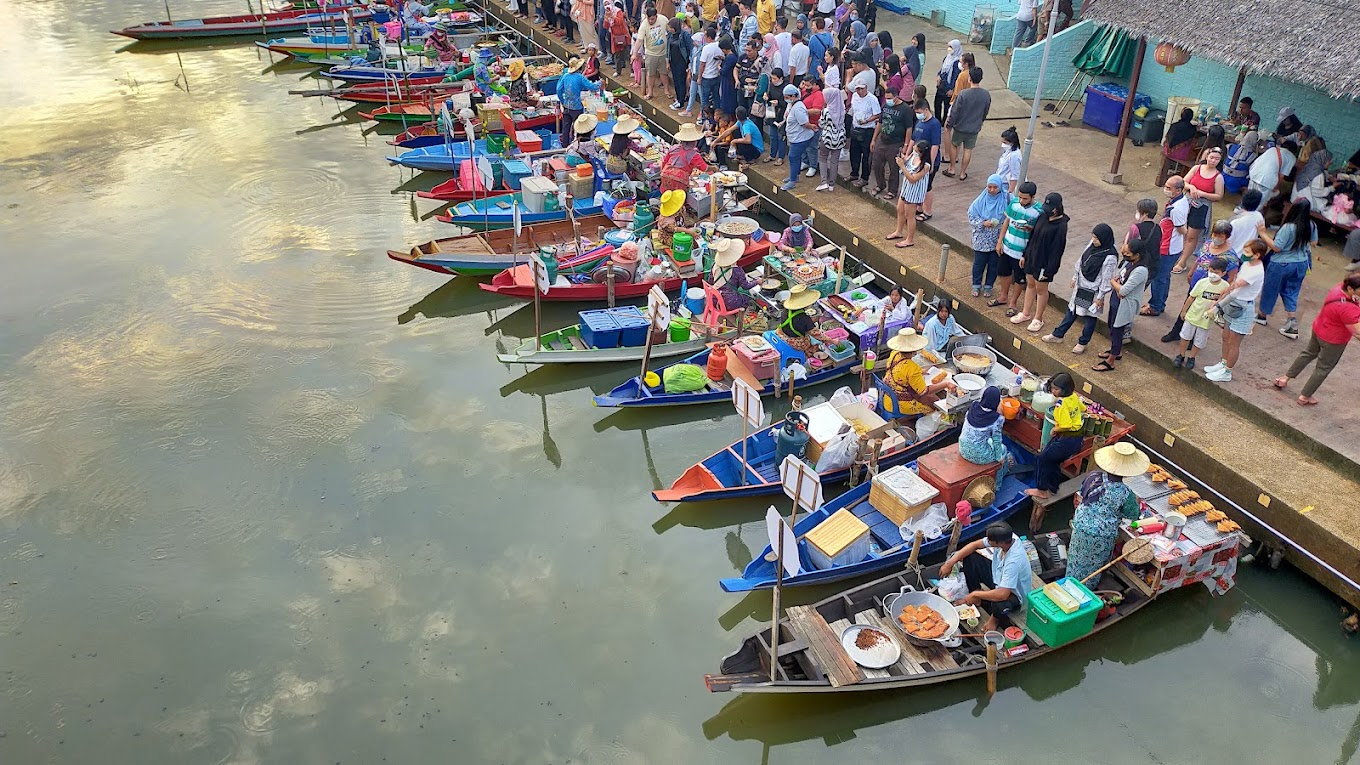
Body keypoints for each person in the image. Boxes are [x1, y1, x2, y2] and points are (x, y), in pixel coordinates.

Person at [1066, 443, 1148, 583]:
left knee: (1075, 559)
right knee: (1093, 567)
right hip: (1101, 535)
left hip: (1080, 525)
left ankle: (1068, 586)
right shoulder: (1125, 492)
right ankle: (1086, 593)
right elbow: (1133, 514)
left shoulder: (1093, 476)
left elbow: (1084, 492)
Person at [1275, 274, 1360, 405]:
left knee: (1307, 353)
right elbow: (1357, 331)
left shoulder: (1337, 289)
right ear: (1350, 289)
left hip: (1319, 328)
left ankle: (1285, 378)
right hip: (1334, 340)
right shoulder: (1349, 309)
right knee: (1323, 368)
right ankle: (1305, 396)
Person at [939, 522, 1031, 632]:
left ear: (1000, 543)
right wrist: (950, 563)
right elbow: (974, 545)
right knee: (970, 557)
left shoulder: (1013, 561)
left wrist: (975, 594)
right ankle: (976, 597)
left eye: (990, 540)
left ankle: (994, 619)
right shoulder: (1009, 538)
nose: (987, 541)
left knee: (1000, 603)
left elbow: (1003, 594)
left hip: (1014, 593)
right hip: (998, 577)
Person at [1043, 223, 1118, 354]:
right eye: (1093, 237)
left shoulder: (1109, 257)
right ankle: (1058, 334)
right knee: (1072, 311)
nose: (1094, 240)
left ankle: (1083, 342)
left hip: (1092, 291)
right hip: (1081, 286)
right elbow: (1081, 259)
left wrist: (1100, 297)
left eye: (1097, 238)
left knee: (1089, 317)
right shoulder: (1092, 245)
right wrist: (1075, 277)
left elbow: (1106, 278)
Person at [1162, 219, 1238, 342]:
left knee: (1201, 315)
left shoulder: (1231, 256)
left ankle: (1193, 339)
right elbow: (1199, 260)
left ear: (1227, 237)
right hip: (1197, 285)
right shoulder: (1208, 244)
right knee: (1187, 306)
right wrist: (1191, 272)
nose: (1216, 238)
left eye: (1220, 236)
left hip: (1211, 291)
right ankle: (1176, 332)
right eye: (1215, 234)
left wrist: (1222, 296)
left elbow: (1231, 277)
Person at [1202, 239, 1267, 383]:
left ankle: (1227, 371)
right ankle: (1223, 363)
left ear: (1257, 255)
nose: (1244, 254)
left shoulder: (1256, 271)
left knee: (1234, 342)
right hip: (1233, 305)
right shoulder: (1247, 264)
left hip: (1243, 308)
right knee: (1226, 336)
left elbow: (1235, 289)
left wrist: (1217, 305)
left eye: (1248, 252)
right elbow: (1233, 284)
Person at [1255, 199, 1318, 339]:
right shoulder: (1311, 225)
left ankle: (1262, 315)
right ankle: (1292, 323)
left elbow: (1277, 247)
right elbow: (1314, 242)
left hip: (1281, 263)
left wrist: (1263, 233)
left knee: (1271, 289)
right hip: (1301, 263)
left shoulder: (1289, 227)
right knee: (1291, 292)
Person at [1091, 236, 1150, 372]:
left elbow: (1123, 290)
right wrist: (1117, 285)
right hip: (1116, 300)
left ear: (1137, 255)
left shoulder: (1141, 270)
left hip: (1124, 305)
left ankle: (1111, 361)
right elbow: (1120, 278)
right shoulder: (1129, 263)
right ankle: (1114, 351)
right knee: (1112, 326)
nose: (1125, 255)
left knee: (1118, 331)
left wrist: (1113, 283)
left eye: (1128, 254)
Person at [1012, 191, 1068, 332]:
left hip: (1045, 263)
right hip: (1032, 257)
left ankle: (1038, 318)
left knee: (1041, 289)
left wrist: (1050, 270)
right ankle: (1025, 313)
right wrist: (1025, 255)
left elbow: (1057, 250)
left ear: (1056, 209)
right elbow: (1033, 237)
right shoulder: (1042, 216)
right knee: (1030, 284)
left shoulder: (1060, 226)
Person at [1023, 372, 1084, 500]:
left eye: (1056, 389)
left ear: (1064, 390)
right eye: (1053, 388)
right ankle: (1053, 487)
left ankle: (1042, 490)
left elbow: (1066, 424)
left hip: (1066, 438)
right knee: (1054, 460)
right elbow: (1083, 408)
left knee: (1042, 459)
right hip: (1077, 436)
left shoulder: (1060, 405)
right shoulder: (1073, 397)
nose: (1053, 391)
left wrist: (1054, 429)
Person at [1172, 256, 1231, 370]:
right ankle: (1181, 355)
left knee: (1200, 341)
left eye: (1216, 272)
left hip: (1206, 320)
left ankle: (1192, 357)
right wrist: (1184, 311)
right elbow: (1191, 297)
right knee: (1185, 336)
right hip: (1193, 315)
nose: (1212, 274)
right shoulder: (1202, 283)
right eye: (1211, 271)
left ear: (1223, 273)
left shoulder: (1225, 287)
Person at [990, 180, 1039, 314]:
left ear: (1032, 197)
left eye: (1025, 198)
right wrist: (1000, 241)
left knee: (1019, 278)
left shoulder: (1038, 211)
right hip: (1007, 246)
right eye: (1020, 197)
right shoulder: (1014, 203)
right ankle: (1003, 296)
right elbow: (1007, 221)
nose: (1022, 200)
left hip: (1022, 251)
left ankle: (1013, 303)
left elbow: (1037, 234)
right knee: (1003, 273)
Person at [882, 328, 952, 415]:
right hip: (899, 403)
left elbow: (901, 371)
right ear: (914, 351)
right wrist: (946, 384)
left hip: (887, 396)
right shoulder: (912, 368)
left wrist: (920, 371)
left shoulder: (894, 353)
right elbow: (924, 391)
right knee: (932, 407)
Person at [1147, 175, 1189, 317]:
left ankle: (1155, 306)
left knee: (1158, 278)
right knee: (1164, 278)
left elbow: (1181, 229)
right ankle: (1159, 303)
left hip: (1167, 248)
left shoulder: (1175, 209)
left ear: (1178, 190)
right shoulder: (1181, 201)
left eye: (1169, 188)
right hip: (1172, 247)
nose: (1166, 190)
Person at [1179, 147, 1225, 275]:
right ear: (1206, 157)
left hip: (1202, 207)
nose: (1213, 161)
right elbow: (1183, 182)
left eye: (1217, 159)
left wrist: (1202, 193)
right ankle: (1175, 254)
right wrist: (1192, 187)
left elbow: (1218, 196)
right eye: (1211, 157)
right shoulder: (1196, 168)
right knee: (1179, 229)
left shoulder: (1218, 177)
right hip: (1187, 203)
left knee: (1191, 236)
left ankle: (1182, 261)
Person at [942, 66, 990, 181]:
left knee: (954, 145)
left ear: (969, 78)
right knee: (968, 150)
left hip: (960, 126)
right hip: (974, 128)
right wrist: (980, 122)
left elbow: (955, 111)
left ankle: (952, 168)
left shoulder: (963, 94)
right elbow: (985, 111)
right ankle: (963, 173)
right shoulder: (986, 95)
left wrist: (950, 123)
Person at [868, 81, 913, 200]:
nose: (888, 100)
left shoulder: (905, 109)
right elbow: (880, 123)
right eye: (886, 98)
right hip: (882, 139)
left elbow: (909, 128)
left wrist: (906, 145)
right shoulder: (886, 106)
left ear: (896, 96)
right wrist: (874, 139)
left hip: (896, 142)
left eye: (890, 98)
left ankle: (892, 190)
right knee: (876, 163)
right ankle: (880, 184)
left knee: (894, 168)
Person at [967, 174, 1008, 297]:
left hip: (997, 238)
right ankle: (976, 285)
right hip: (981, 238)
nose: (991, 190)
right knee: (979, 263)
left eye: (995, 187)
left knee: (993, 264)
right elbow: (971, 216)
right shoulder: (980, 200)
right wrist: (983, 223)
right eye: (989, 187)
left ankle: (989, 285)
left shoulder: (1005, 199)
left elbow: (1008, 217)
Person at [887, 139, 930, 247]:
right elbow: (906, 163)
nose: (914, 150)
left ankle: (909, 239)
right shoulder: (912, 157)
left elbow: (913, 179)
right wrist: (902, 160)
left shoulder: (925, 166)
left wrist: (902, 166)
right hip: (906, 188)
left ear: (921, 152)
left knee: (909, 215)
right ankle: (898, 231)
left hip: (914, 192)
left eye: (916, 149)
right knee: (900, 209)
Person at [958, 386, 1009, 470]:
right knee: (1003, 450)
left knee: (987, 441)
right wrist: (1000, 458)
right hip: (980, 456)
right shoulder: (998, 419)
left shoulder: (973, 406)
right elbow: (997, 441)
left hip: (963, 449)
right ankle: (1001, 477)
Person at [555, 58, 602, 147]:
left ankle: (565, 144)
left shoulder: (565, 76)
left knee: (566, 127)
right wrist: (600, 83)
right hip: (576, 106)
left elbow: (558, 89)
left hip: (566, 105)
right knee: (578, 127)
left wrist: (563, 101)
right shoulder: (580, 77)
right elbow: (592, 87)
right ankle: (576, 145)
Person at [911, 99, 942, 222]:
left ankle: (927, 211)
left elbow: (935, 145)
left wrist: (932, 164)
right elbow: (913, 139)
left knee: (927, 186)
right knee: (920, 185)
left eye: (919, 112)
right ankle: (919, 207)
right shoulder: (919, 122)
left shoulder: (934, 124)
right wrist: (907, 154)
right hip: (918, 159)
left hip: (928, 161)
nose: (918, 114)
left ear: (926, 110)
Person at [782, 83, 816, 190]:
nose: (786, 99)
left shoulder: (798, 107)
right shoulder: (791, 105)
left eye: (787, 97)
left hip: (801, 137)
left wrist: (812, 127)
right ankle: (794, 176)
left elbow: (804, 123)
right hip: (795, 136)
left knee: (793, 157)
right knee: (795, 157)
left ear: (793, 96)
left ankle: (793, 181)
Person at [846, 80, 880, 188]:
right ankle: (854, 173)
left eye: (861, 89)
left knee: (866, 156)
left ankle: (865, 178)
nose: (859, 91)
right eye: (858, 89)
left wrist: (866, 121)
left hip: (867, 130)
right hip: (856, 127)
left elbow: (877, 114)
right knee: (854, 153)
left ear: (866, 88)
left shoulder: (872, 99)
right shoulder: (855, 97)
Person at [709, 236, 757, 309]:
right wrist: (757, 281)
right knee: (748, 299)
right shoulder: (737, 270)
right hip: (728, 302)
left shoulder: (715, 266)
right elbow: (745, 286)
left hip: (714, 298)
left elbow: (710, 281)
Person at [659, 122, 709, 192]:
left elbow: (664, 162)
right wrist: (714, 168)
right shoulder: (694, 155)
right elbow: (705, 168)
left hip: (665, 174)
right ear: (694, 141)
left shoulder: (674, 147)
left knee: (667, 197)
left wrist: (663, 172)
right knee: (678, 199)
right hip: (679, 179)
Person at [814, 83, 846, 191]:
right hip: (839, 138)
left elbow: (821, 124)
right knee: (834, 161)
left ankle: (824, 182)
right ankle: (832, 184)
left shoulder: (826, 111)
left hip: (827, 138)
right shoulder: (842, 109)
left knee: (823, 158)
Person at [776, 285, 826, 351]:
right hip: (793, 342)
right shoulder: (803, 318)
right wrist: (833, 341)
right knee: (816, 346)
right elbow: (817, 335)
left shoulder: (785, 310)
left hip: (781, 334)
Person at [1247, 139, 1297, 205]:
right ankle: (1251, 212)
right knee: (1258, 204)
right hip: (1267, 180)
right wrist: (1275, 188)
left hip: (1254, 173)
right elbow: (1281, 176)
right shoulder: (1292, 157)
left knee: (1249, 197)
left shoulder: (1272, 149)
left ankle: (1241, 209)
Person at [1292, 136, 1333, 209]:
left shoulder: (1309, 167)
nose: (1330, 163)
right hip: (1304, 201)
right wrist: (1332, 187)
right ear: (1323, 160)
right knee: (1325, 205)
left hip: (1294, 197)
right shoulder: (1318, 173)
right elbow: (1318, 192)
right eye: (1329, 161)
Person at [758, 69, 787, 164]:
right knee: (773, 136)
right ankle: (772, 154)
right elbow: (769, 95)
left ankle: (781, 156)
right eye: (772, 78)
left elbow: (788, 102)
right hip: (772, 112)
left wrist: (779, 103)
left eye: (775, 79)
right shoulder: (771, 85)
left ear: (781, 78)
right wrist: (766, 97)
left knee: (781, 136)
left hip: (782, 113)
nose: (773, 80)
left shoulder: (786, 87)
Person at [932, 39, 961, 127]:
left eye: (951, 47)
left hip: (949, 88)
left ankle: (944, 124)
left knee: (946, 107)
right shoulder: (947, 58)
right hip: (941, 85)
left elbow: (956, 77)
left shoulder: (957, 62)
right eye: (949, 46)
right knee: (937, 104)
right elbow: (942, 69)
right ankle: (937, 122)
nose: (949, 49)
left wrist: (952, 89)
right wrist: (938, 76)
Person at [1227, 188, 1264, 255]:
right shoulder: (1259, 217)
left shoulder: (1235, 222)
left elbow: (1228, 241)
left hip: (1233, 255)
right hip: (1248, 254)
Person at [666, 17, 693, 108]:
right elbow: (668, 49)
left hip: (682, 61)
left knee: (681, 81)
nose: (670, 29)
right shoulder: (670, 35)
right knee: (676, 80)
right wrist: (667, 62)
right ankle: (678, 98)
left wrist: (690, 63)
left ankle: (681, 101)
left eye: (671, 27)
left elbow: (691, 48)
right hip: (673, 61)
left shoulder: (685, 35)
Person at [698, 25, 724, 115]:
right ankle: (717, 117)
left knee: (705, 99)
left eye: (705, 36)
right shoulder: (719, 46)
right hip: (716, 75)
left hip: (707, 77)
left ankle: (705, 117)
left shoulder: (706, 48)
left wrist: (699, 77)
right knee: (716, 97)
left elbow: (702, 64)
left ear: (709, 37)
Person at [606, 1, 632, 77]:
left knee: (628, 54)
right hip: (615, 37)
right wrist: (607, 19)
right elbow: (606, 26)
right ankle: (618, 71)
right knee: (617, 55)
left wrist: (613, 16)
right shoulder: (607, 14)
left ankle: (633, 71)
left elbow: (620, 21)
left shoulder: (618, 11)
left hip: (624, 35)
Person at [718, 36, 739, 116]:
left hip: (728, 82)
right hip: (729, 81)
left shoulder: (730, 58)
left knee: (728, 101)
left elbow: (723, 71)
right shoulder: (733, 56)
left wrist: (719, 67)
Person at [996, 126, 1021, 192]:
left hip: (1005, 184)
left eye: (1005, 143)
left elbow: (1014, 175)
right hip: (1000, 181)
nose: (1002, 145)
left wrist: (1009, 192)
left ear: (1012, 143)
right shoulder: (1007, 151)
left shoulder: (1014, 155)